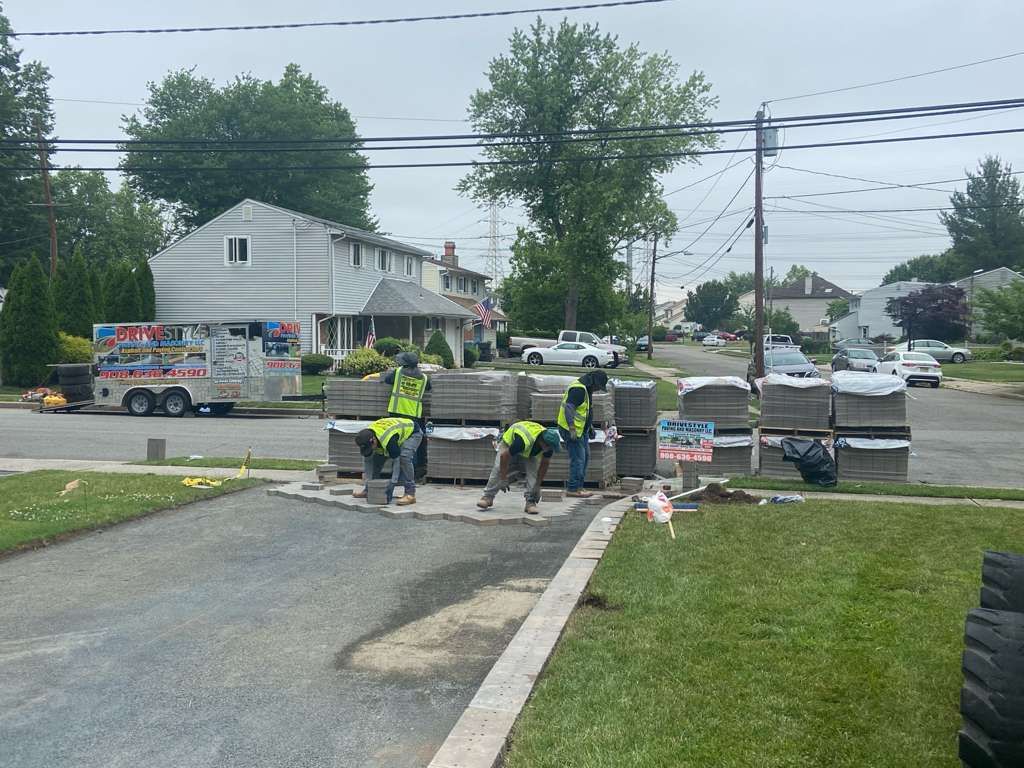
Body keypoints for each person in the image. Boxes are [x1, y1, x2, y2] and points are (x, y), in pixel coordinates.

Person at [477, 421, 560, 515]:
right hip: (510, 443)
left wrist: (537, 485)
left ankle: (530, 502)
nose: (550, 450)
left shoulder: (549, 445)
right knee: (498, 468)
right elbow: (504, 457)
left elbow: (544, 464)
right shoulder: (521, 441)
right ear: (543, 443)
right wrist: (504, 479)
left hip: (530, 450)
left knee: (533, 473)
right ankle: (487, 497)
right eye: (550, 447)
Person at [556, 370, 608, 498]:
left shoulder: (586, 389)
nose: (597, 390)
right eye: (597, 387)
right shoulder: (578, 390)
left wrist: (589, 426)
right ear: (592, 382)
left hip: (581, 430)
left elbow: (583, 411)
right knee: (578, 460)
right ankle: (573, 489)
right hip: (571, 430)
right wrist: (572, 428)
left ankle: (579, 487)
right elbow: (569, 408)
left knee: (584, 458)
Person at [352, 416, 422, 505]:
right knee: (376, 459)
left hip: (412, 432)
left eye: (370, 447)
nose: (370, 449)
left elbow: (397, 463)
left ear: (373, 440)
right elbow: (368, 461)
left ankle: (410, 494)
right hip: (393, 433)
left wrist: (392, 485)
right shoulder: (366, 436)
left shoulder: (389, 441)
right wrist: (369, 482)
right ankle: (368, 490)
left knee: (404, 458)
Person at [382, 351, 431, 478]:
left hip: (396, 414)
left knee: (395, 443)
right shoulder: (424, 378)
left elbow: (386, 380)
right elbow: (429, 388)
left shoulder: (398, 373)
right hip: (413, 417)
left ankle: (397, 475)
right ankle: (410, 475)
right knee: (410, 447)